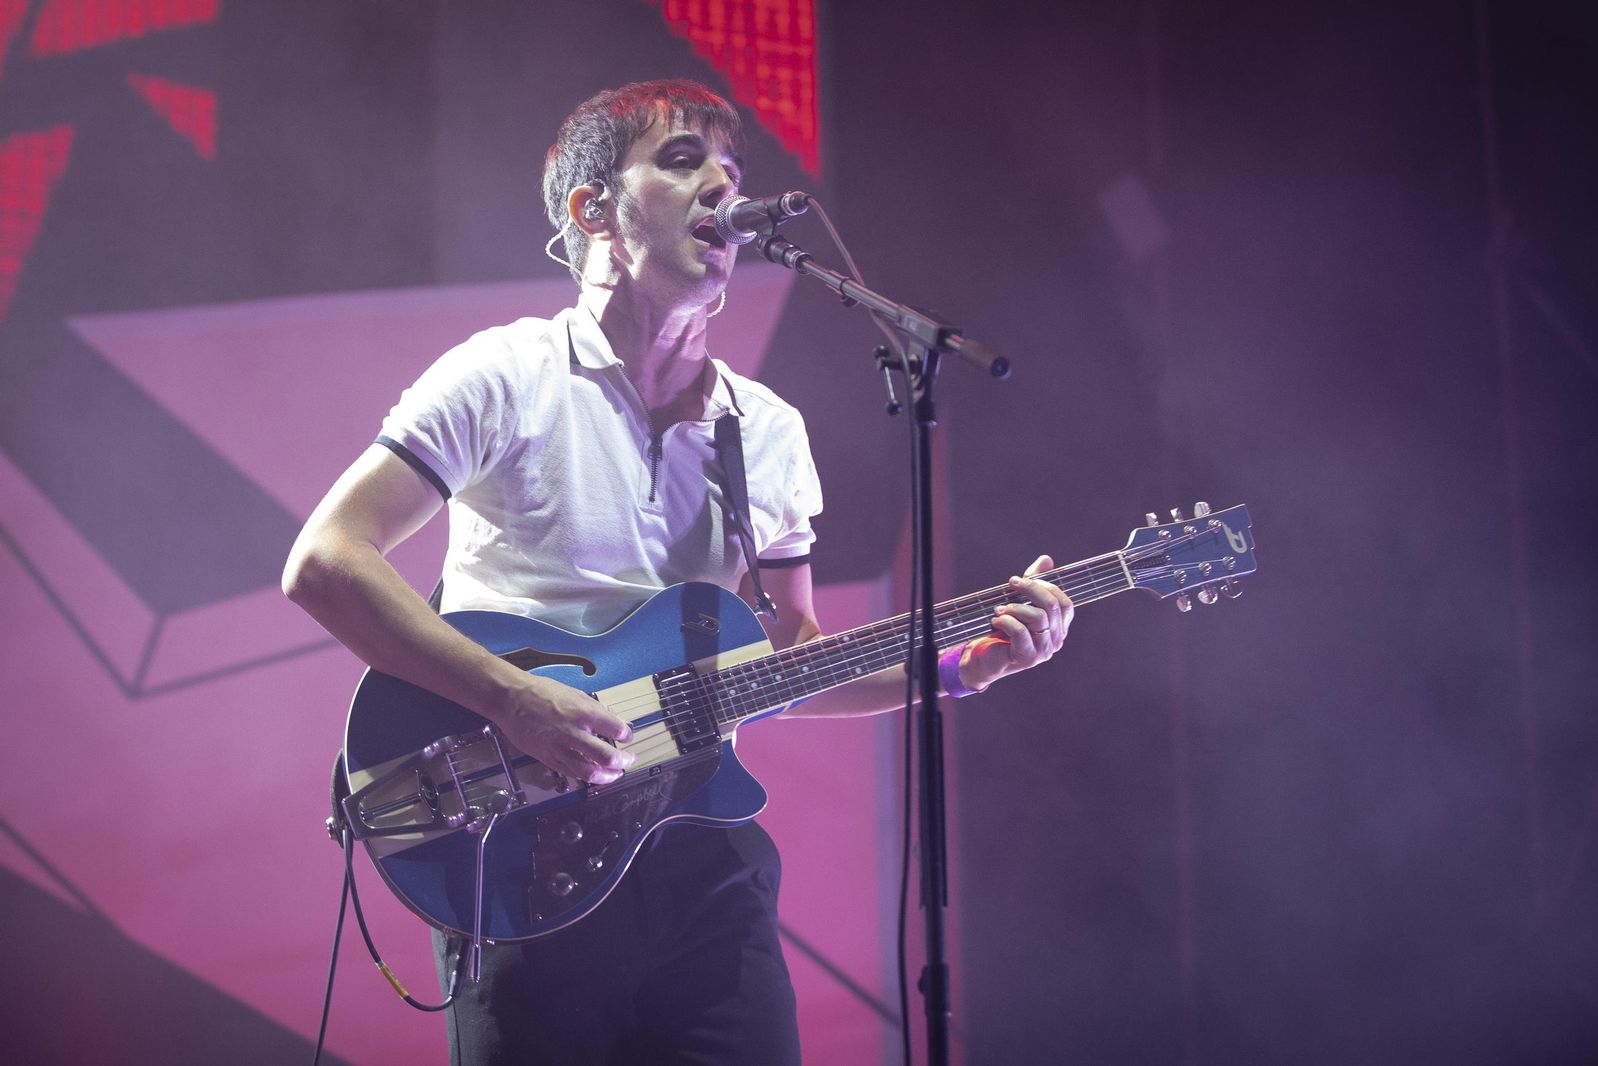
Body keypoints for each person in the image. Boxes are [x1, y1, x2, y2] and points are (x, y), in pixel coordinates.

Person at [282, 79, 1072, 1065]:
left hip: (700, 861)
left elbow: (790, 660)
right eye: (684, 161)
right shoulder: (503, 376)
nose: (723, 190)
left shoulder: (766, 431)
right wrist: (512, 699)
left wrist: (961, 669)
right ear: (593, 210)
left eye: (733, 172)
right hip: (522, 847)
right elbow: (326, 561)